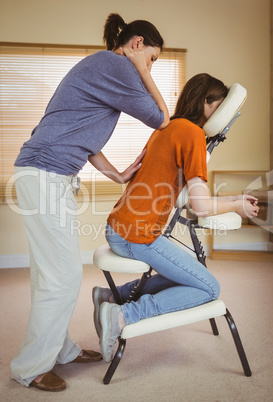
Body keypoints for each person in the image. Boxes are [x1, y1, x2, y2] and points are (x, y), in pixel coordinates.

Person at [11, 13, 170, 392]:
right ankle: (30, 367)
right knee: (63, 277)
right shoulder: (116, 65)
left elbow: (83, 133)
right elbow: (162, 118)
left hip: (45, 173)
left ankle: (61, 350)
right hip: (46, 173)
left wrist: (115, 174)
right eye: (152, 57)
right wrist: (143, 71)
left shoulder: (99, 67)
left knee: (49, 275)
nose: (151, 66)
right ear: (135, 44)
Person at [92, 73, 259, 363]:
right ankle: (121, 314)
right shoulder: (193, 134)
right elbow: (201, 207)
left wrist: (234, 201)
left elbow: (191, 199)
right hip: (136, 234)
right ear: (207, 103)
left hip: (119, 226)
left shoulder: (166, 127)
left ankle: (111, 295)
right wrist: (237, 207)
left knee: (189, 271)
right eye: (219, 107)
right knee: (209, 287)